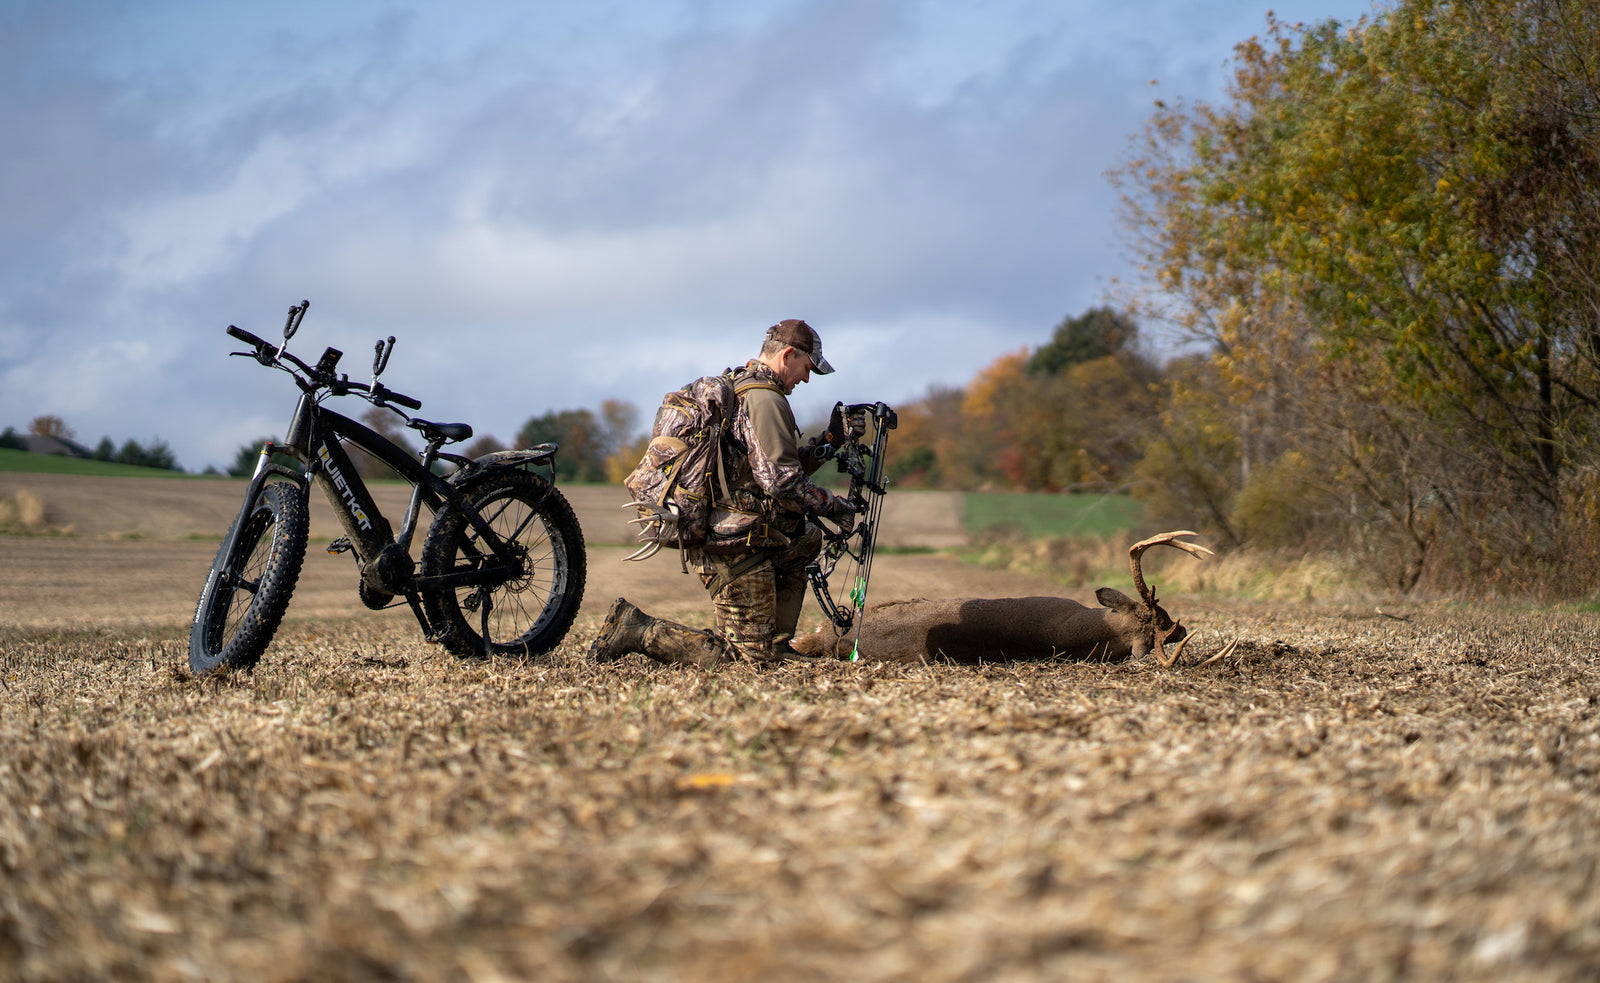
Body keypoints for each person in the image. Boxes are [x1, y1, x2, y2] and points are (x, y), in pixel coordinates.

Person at [590, 319, 863, 667]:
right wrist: (836, 506)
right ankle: (638, 630)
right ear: (789, 355)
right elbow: (782, 484)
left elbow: (768, 471)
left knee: (806, 538)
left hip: (748, 533)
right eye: (807, 368)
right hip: (735, 543)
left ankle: (775, 641)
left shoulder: (745, 387)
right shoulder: (766, 399)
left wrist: (829, 442)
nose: (806, 378)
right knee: (748, 660)